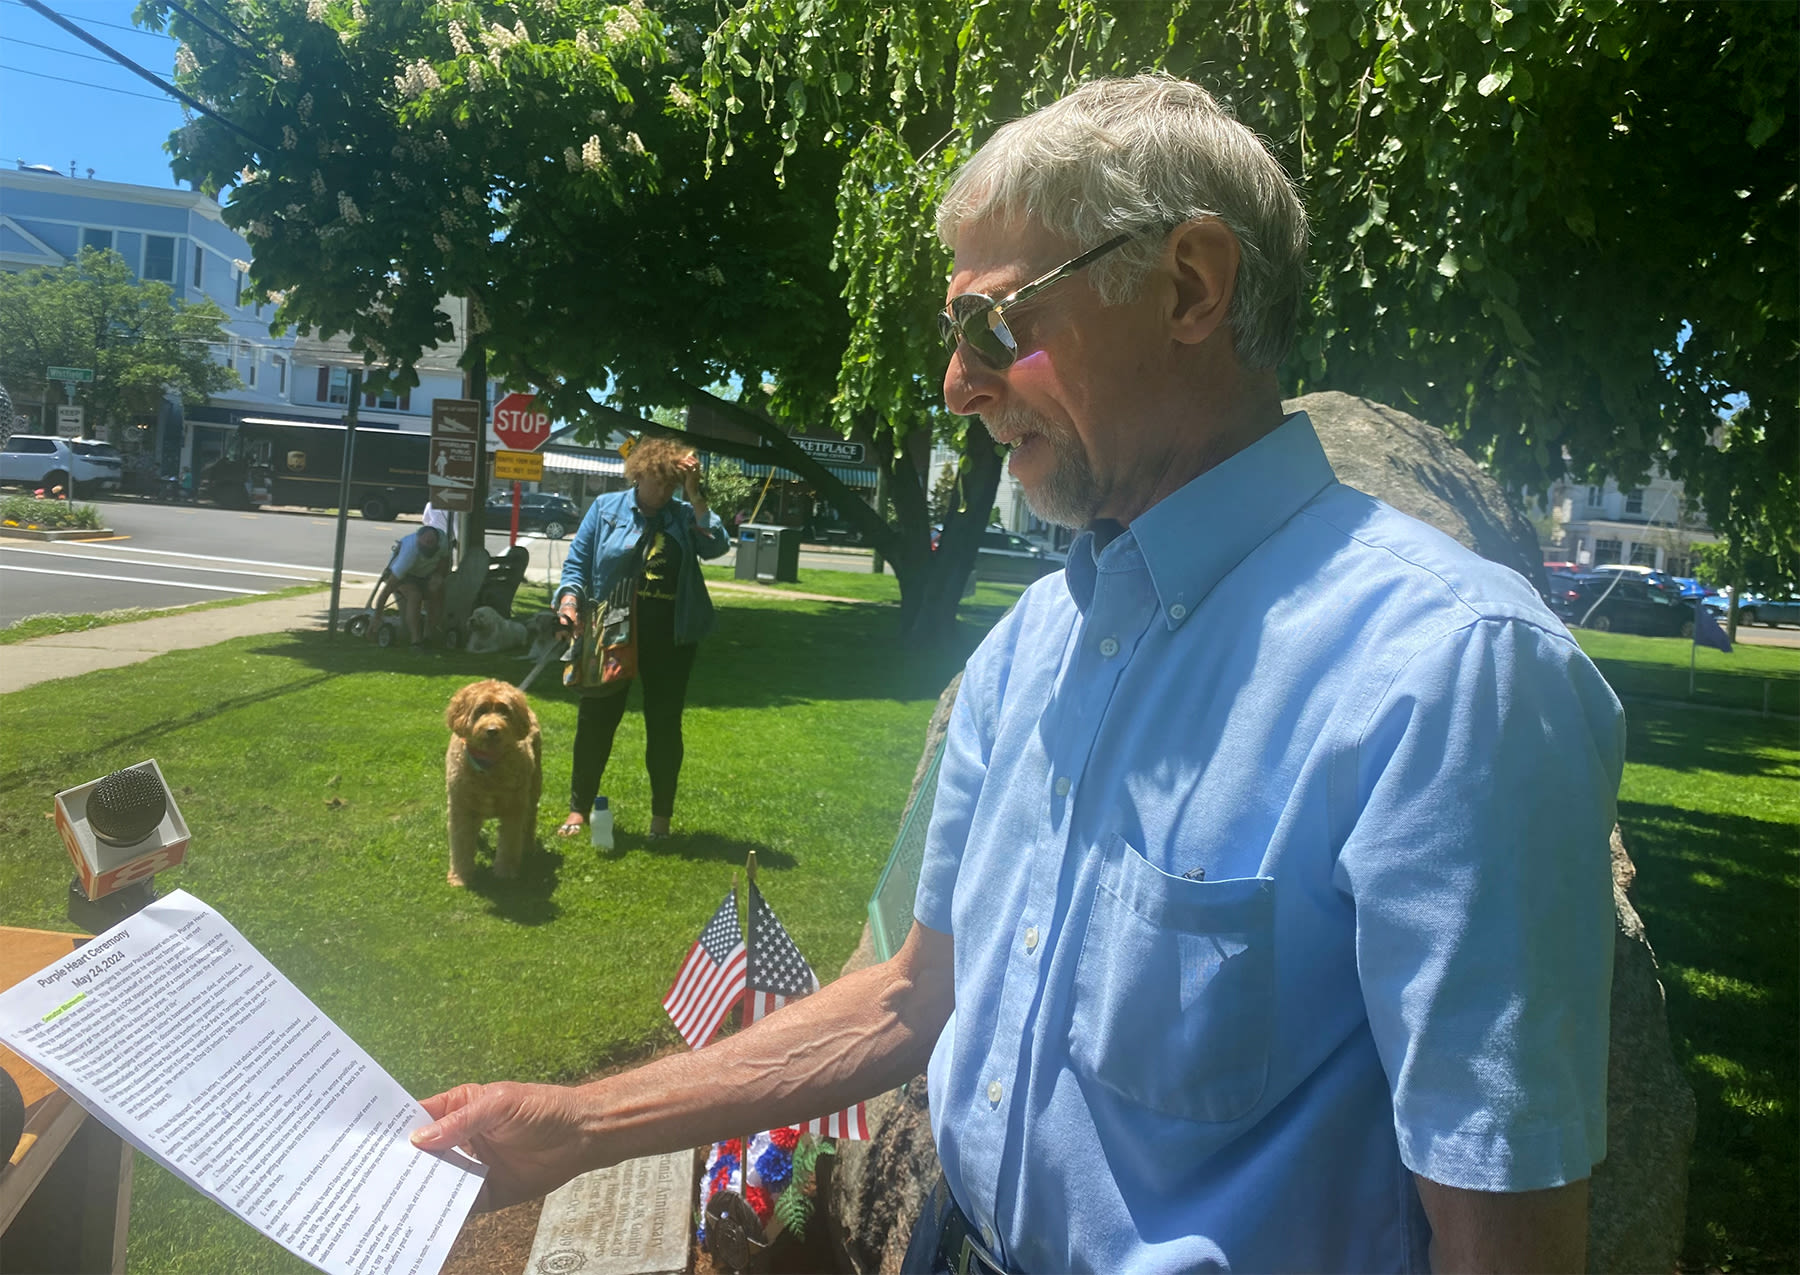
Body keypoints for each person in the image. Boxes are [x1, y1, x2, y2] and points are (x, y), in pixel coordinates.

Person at [414, 75, 1622, 1273]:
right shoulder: (1033, 642)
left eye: (995, 324)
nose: (957, 384)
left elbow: (1504, 1241)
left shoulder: (1458, 677)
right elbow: (911, 994)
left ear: (1190, 287)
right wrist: (575, 1128)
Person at [551, 439, 728, 840]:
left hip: (671, 636)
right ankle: (578, 810)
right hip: (610, 632)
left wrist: (695, 494)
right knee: (595, 720)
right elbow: (577, 564)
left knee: (664, 724)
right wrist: (569, 602)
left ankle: (660, 821)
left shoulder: (683, 515)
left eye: (673, 484)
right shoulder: (606, 508)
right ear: (639, 472)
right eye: (659, 482)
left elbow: (715, 545)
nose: (665, 491)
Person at [368, 523, 450, 650]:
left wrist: (439, 575)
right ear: (418, 542)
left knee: (438, 591)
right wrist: (377, 616)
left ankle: (429, 635)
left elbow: (445, 560)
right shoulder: (409, 553)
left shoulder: (443, 540)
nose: (426, 547)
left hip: (426, 574)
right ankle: (415, 640)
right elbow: (387, 590)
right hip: (405, 576)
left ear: (436, 542)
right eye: (423, 545)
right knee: (414, 595)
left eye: (430, 543)